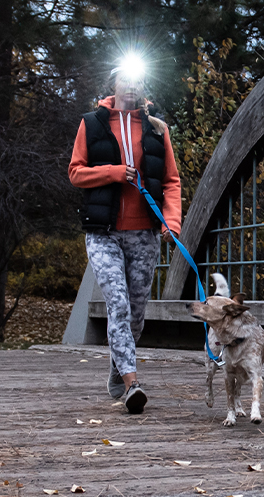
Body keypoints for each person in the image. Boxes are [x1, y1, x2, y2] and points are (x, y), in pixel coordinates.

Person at [68, 62, 182, 414]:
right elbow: (75, 172)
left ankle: (118, 367)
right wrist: (115, 172)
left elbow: (171, 182)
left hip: (144, 234)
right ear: (113, 84)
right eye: (125, 80)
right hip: (103, 233)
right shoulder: (91, 123)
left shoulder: (157, 129)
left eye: (137, 81)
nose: (130, 86)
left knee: (135, 314)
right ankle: (133, 384)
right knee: (117, 305)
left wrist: (171, 222)